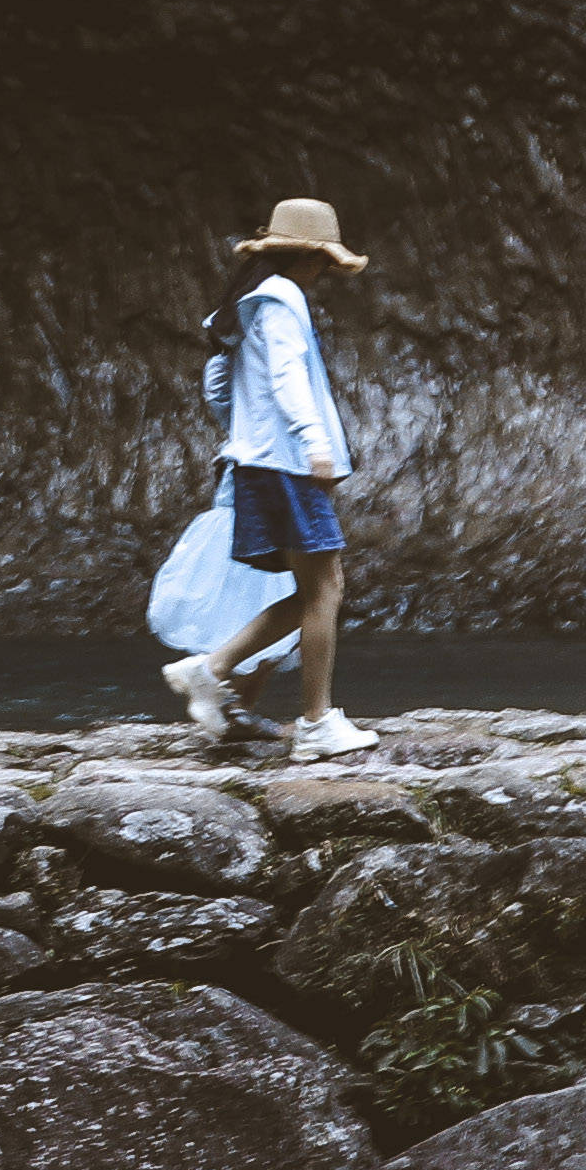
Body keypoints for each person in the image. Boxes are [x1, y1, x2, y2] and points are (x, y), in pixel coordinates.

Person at [169, 197, 379, 761]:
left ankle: (209, 670)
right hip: (286, 464)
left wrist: (243, 434)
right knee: (326, 587)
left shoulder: (242, 307)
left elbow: (217, 387)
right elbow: (287, 374)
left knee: (316, 589)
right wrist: (312, 441)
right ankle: (315, 723)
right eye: (323, 263)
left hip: (257, 461)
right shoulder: (283, 297)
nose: (325, 275)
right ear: (305, 256)